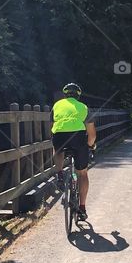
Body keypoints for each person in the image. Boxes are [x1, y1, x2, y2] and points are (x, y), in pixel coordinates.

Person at [52, 82, 97, 221]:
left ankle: (59, 174)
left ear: (65, 94)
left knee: (57, 149)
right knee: (83, 174)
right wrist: (90, 146)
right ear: (78, 95)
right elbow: (92, 135)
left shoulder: (56, 106)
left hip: (59, 136)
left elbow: (52, 127)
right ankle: (82, 208)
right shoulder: (83, 107)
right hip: (78, 138)